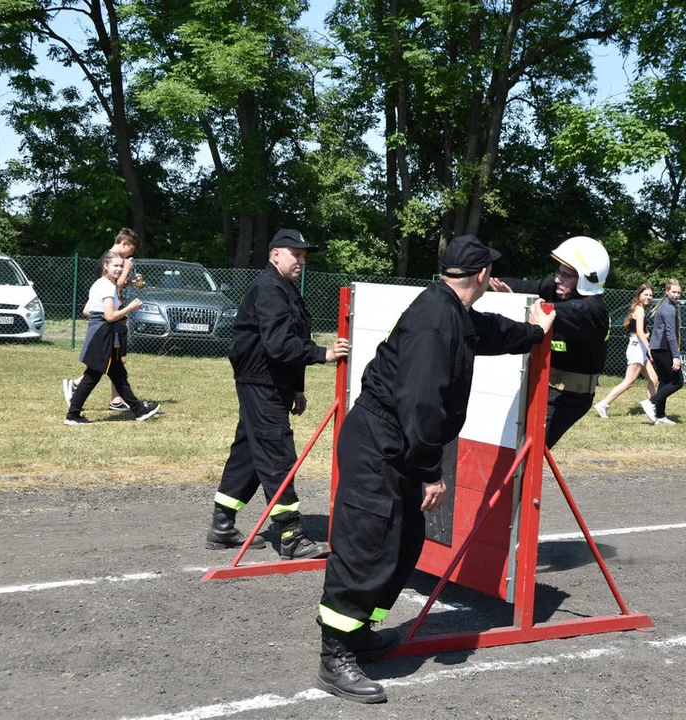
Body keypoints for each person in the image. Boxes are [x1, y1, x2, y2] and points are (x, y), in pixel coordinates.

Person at [315, 235, 555, 704]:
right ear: (483, 275)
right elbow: (420, 405)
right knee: (366, 544)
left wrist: (533, 331)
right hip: (382, 443)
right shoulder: (435, 321)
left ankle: (360, 633)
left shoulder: (450, 311)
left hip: (396, 442)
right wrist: (430, 470)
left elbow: (485, 332)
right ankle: (335, 655)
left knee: (402, 542)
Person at [207, 229, 350, 559]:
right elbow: (278, 345)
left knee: (248, 454)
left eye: (304, 255)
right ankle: (292, 535)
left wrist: (297, 386)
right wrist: (323, 353)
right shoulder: (269, 290)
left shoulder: (284, 289)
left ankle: (222, 526)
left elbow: (292, 337)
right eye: (294, 253)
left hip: (273, 383)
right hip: (261, 384)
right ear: (275, 255)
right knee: (277, 454)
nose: (301, 260)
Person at [489, 235, 610, 447]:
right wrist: (496, 286)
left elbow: (554, 312)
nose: (557, 279)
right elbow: (523, 286)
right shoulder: (557, 290)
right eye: (559, 272)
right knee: (514, 446)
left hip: (568, 396)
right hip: (544, 387)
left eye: (567, 275)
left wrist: (530, 308)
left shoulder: (593, 311)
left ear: (585, 278)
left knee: (527, 452)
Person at [63, 251, 160, 425]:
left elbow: (87, 311)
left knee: (118, 374)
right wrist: (129, 308)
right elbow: (109, 316)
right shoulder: (107, 287)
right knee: (92, 375)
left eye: (121, 266)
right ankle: (73, 415)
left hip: (103, 333)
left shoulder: (102, 284)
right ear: (105, 266)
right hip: (104, 335)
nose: (118, 269)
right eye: (115, 266)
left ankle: (138, 410)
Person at [62, 228, 141, 412]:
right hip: (110, 319)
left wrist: (127, 282)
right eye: (131, 250)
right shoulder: (112, 260)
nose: (130, 255)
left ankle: (117, 401)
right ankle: (75, 388)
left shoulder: (110, 260)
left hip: (110, 316)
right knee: (104, 365)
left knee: (114, 364)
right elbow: (111, 287)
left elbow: (115, 286)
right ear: (125, 244)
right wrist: (126, 271)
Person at [593, 283, 658, 418]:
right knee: (629, 382)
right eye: (646, 294)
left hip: (638, 346)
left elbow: (639, 331)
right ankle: (603, 404)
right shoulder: (639, 310)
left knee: (653, 378)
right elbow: (639, 332)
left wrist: (646, 335)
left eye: (651, 295)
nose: (649, 297)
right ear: (639, 295)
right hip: (637, 348)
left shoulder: (639, 309)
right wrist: (649, 348)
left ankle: (652, 407)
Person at [643, 279, 683, 425]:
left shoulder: (667, 305)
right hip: (662, 348)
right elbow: (671, 334)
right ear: (667, 292)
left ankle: (660, 416)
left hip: (657, 348)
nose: (676, 295)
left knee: (665, 381)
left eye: (678, 292)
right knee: (677, 382)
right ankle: (651, 403)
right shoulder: (669, 308)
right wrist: (676, 357)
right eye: (673, 292)